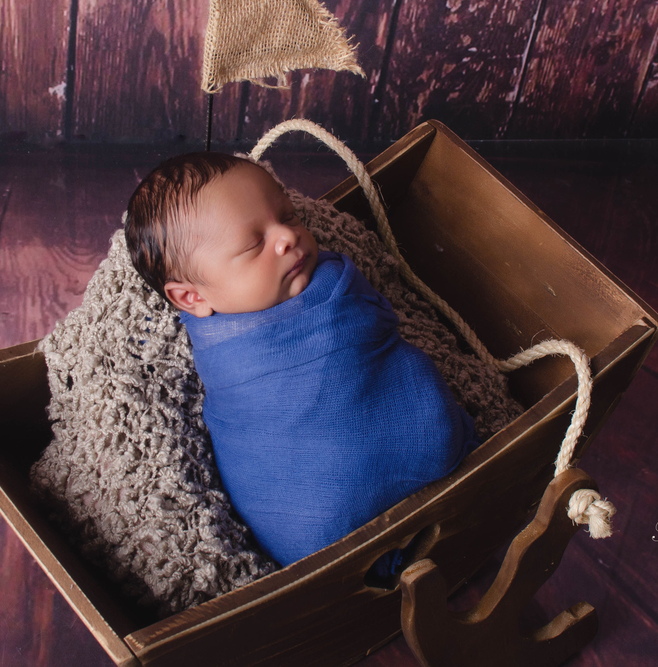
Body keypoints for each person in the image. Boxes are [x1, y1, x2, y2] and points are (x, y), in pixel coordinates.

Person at [125, 152, 478, 568]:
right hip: (317, 527)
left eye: (288, 216)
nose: (287, 237)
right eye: (254, 244)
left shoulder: (324, 280)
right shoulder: (223, 351)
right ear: (192, 297)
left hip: (406, 453)